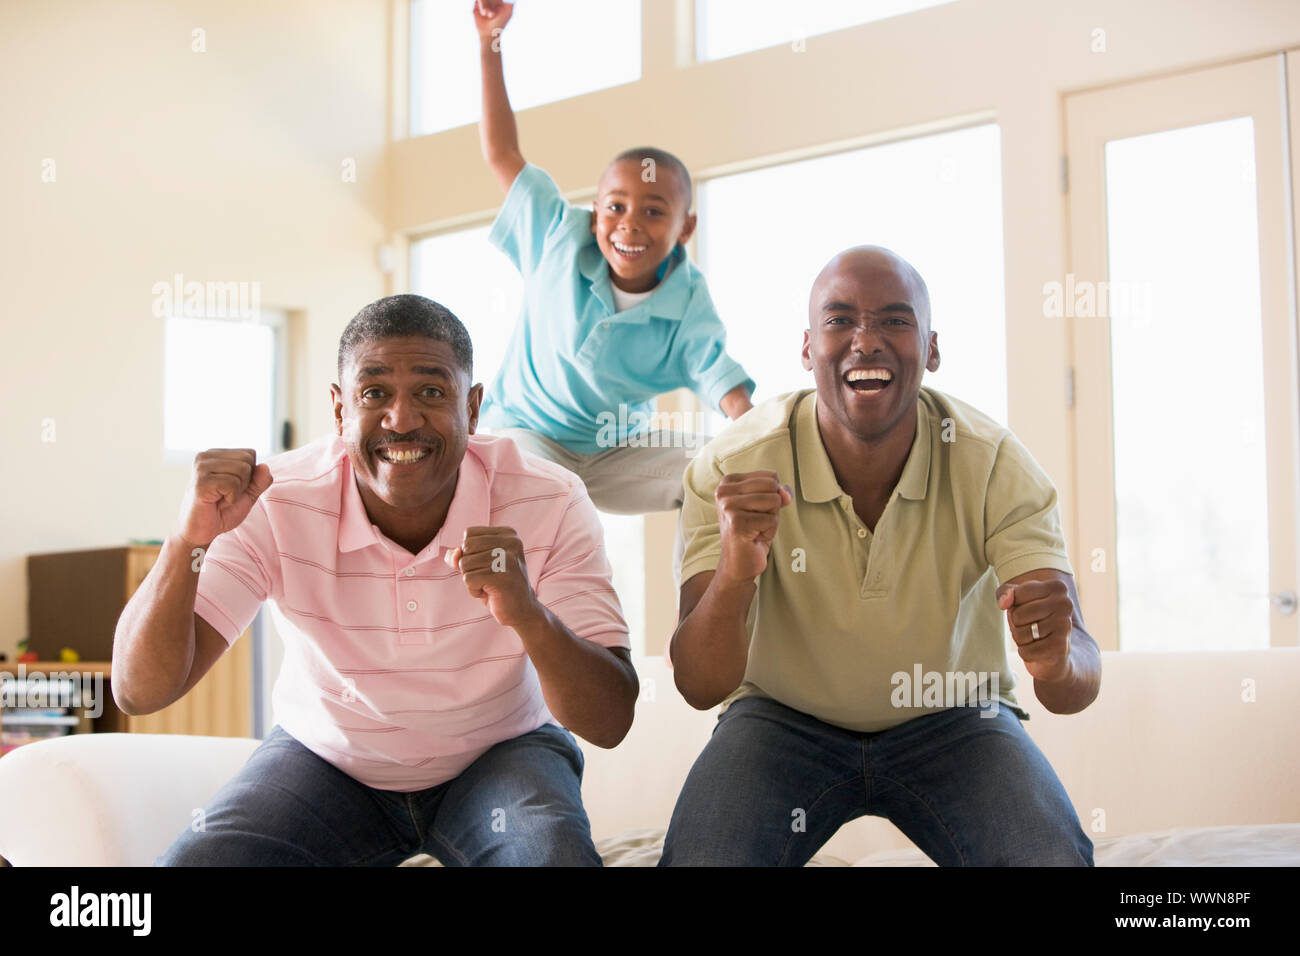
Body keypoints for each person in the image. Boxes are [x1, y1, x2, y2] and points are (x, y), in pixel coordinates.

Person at [114, 294, 638, 867]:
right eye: (374, 393)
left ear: (474, 407)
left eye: (432, 393)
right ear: (340, 411)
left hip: (502, 752)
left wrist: (528, 614)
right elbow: (140, 692)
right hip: (327, 760)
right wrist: (186, 541)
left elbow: (609, 721)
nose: (402, 419)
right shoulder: (274, 499)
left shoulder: (549, 497)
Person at [660, 246, 1101, 866]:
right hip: (780, 720)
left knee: (1049, 856)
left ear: (933, 349)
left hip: (956, 717)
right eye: (839, 321)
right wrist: (736, 571)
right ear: (808, 348)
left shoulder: (993, 461)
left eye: (895, 320)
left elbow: (1075, 683)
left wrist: (1055, 659)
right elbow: (699, 684)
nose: (865, 341)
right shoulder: (733, 465)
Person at [471, 0, 755, 515]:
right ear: (595, 211)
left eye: (653, 211)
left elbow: (719, 377)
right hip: (528, 436)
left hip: (617, 454)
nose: (629, 224)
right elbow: (501, 152)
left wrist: (754, 429)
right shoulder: (556, 235)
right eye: (616, 207)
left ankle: (705, 593)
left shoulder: (687, 298)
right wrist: (491, 42)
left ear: (685, 228)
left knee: (723, 472)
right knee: (541, 497)